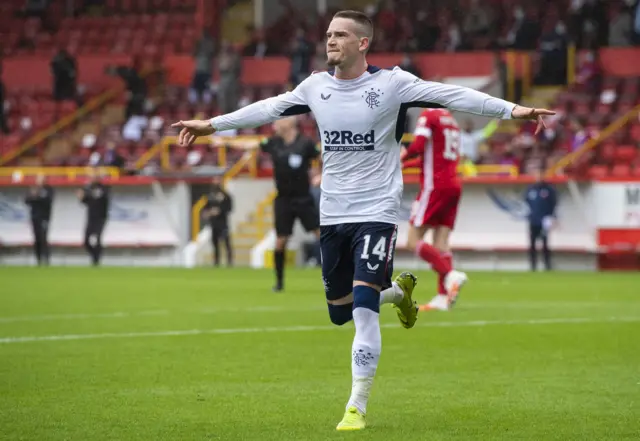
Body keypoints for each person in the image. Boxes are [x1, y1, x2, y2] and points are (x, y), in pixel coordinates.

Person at [171, 10, 553, 430]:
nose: (330, 41)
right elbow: (267, 108)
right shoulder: (315, 86)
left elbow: (452, 95)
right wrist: (212, 125)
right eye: (329, 34)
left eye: (340, 35)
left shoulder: (392, 84)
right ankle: (399, 293)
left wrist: (513, 110)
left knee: (364, 310)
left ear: (363, 43)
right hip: (333, 213)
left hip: (377, 212)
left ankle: (356, 405)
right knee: (341, 312)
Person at [401, 109, 466, 312]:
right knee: (441, 243)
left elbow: (418, 146)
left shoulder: (428, 116)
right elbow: (433, 156)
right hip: (453, 183)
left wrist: (402, 156)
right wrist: (405, 164)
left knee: (412, 240)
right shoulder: (451, 121)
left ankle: (449, 274)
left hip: (434, 185)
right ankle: (442, 296)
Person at [260, 116, 320, 291]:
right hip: (283, 199)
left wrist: (319, 174)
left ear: (289, 123)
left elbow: (319, 157)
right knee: (280, 241)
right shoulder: (274, 142)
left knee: (321, 235)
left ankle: (339, 274)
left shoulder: (305, 144)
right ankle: (279, 282)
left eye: (278, 121)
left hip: (303, 198)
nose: (274, 125)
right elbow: (255, 145)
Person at [525, 168, 557, 271]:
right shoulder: (531, 189)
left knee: (545, 244)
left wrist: (550, 216)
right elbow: (527, 203)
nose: (538, 177)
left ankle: (547, 265)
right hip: (533, 220)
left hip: (544, 220)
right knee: (532, 244)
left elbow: (553, 203)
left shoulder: (548, 189)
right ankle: (533, 266)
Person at [78, 172, 110, 266]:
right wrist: (81, 197)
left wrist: (90, 194)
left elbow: (103, 198)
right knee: (86, 240)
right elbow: (86, 201)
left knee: (97, 239)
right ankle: (94, 255)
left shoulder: (104, 188)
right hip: (91, 217)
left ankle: (96, 260)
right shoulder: (88, 188)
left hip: (101, 217)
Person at [204, 176, 233, 267]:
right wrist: (207, 213)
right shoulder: (210, 196)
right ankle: (216, 262)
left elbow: (229, 208)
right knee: (215, 243)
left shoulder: (226, 196)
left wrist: (219, 211)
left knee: (226, 242)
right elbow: (206, 208)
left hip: (223, 223)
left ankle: (229, 261)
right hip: (214, 223)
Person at [25, 174, 54, 265]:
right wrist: (33, 196)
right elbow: (27, 200)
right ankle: (38, 259)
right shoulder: (34, 189)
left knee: (43, 237)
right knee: (36, 238)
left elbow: (48, 200)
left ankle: (46, 258)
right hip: (35, 217)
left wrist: (37, 197)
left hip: (44, 217)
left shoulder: (48, 190)